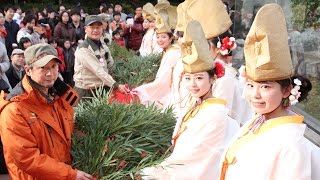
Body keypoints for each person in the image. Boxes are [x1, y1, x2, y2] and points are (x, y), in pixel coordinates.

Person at [219, 4, 320, 180]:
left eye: (265, 86)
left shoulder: (292, 146)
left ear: (286, 90)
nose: (255, 95)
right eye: (250, 85)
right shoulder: (258, 120)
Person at [140, 20, 239, 180]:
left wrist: (159, 171)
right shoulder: (196, 104)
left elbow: (196, 158)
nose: (192, 84)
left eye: (199, 78)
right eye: (188, 78)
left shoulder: (215, 114)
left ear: (213, 78)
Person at [0, 43, 93, 180]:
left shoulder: (60, 96)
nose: (50, 73)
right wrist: (70, 174)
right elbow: (27, 158)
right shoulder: (14, 110)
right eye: (43, 68)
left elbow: (71, 130)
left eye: (54, 67)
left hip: (61, 172)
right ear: (28, 70)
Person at [134, 1, 180, 109]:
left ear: (171, 38)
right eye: (158, 37)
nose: (159, 40)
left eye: (163, 37)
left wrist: (142, 89)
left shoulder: (173, 53)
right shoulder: (167, 51)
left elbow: (163, 82)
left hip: (170, 94)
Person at [74, 15, 128, 100]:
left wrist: (122, 75)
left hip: (102, 88)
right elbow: (98, 70)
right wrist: (116, 85)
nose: (95, 30)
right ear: (85, 29)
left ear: (102, 28)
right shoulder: (83, 49)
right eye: (92, 27)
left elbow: (110, 64)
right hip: (86, 92)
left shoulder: (103, 45)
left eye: (98, 27)